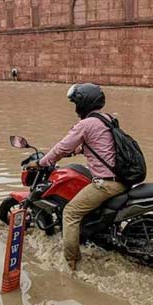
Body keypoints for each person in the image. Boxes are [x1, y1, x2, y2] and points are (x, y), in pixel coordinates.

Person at [26, 83, 126, 270]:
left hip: (106, 184)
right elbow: (100, 146)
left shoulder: (85, 124)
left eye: (76, 103)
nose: (75, 107)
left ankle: (71, 262)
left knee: (70, 213)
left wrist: (40, 163)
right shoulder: (107, 119)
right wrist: (75, 151)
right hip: (122, 179)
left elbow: (61, 147)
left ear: (84, 103)